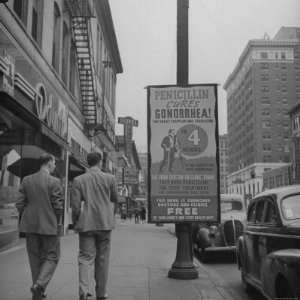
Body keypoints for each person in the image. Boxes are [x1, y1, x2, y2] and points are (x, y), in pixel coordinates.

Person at [71, 152, 118, 300]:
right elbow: (115, 199)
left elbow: (76, 206)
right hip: (104, 224)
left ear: (88, 162)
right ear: (100, 162)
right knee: (102, 260)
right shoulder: (110, 178)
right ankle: (101, 293)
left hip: (86, 224)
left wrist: (76, 221)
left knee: (85, 258)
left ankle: (83, 291)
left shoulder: (78, 180)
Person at [16, 154, 63, 300]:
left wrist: (27, 216)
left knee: (34, 259)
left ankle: (38, 293)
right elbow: (58, 206)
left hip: (30, 226)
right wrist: (58, 223)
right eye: (54, 162)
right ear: (49, 163)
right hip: (49, 225)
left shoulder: (27, 180)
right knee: (52, 256)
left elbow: (19, 203)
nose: (55, 165)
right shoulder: (54, 181)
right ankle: (39, 285)